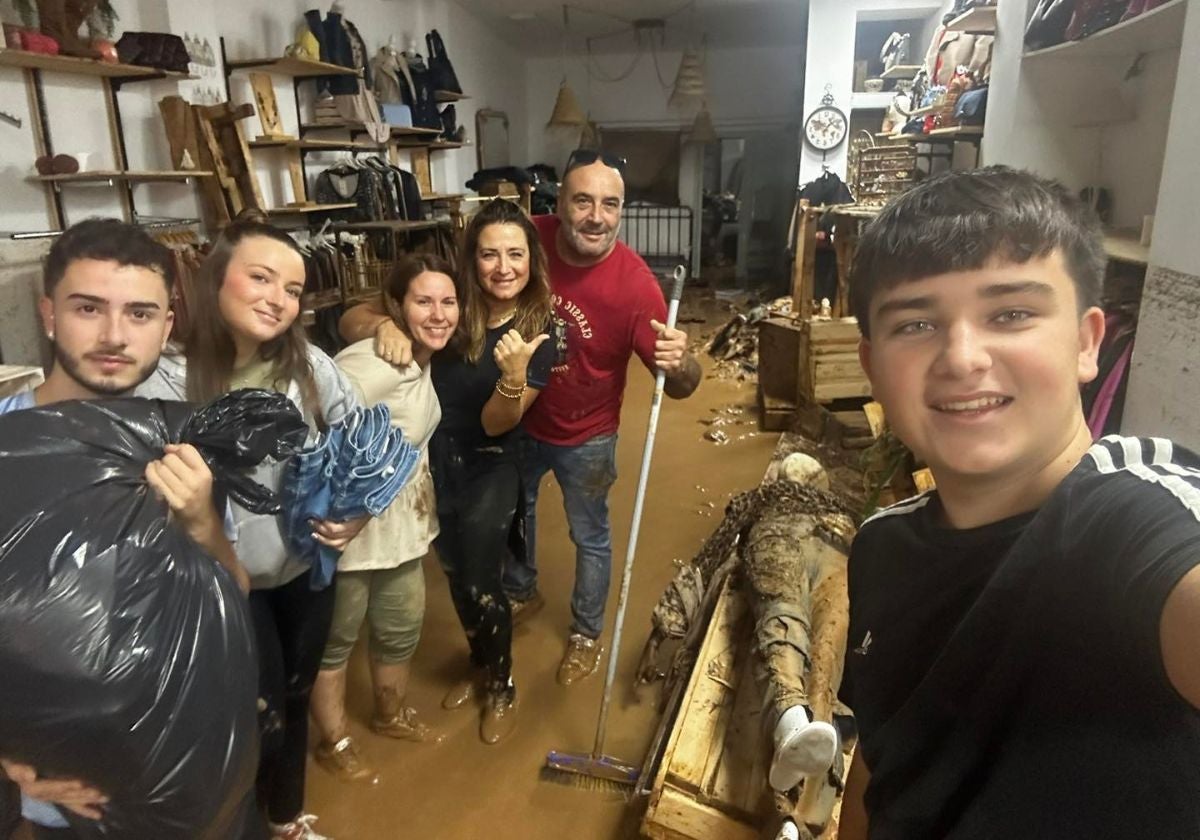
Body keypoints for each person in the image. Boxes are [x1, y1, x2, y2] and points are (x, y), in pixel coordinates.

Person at [837, 166, 1200, 839]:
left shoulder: (1129, 517)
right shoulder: (881, 547)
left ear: (1088, 341)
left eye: (1010, 314)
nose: (962, 357)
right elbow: (880, 758)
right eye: (915, 323)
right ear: (871, 364)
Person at [342, 150, 703, 687]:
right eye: (582, 200)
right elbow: (378, 308)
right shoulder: (517, 241)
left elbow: (681, 387)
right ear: (558, 203)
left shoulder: (635, 285)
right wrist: (383, 327)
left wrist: (682, 363)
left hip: (587, 432)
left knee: (590, 534)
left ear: (622, 211)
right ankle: (522, 592)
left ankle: (584, 632)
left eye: (610, 204)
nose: (595, 216)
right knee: (520, 519)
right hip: (516, 428)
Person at [0, 218, 250, 839]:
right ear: (49, 313)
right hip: (59, 793)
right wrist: (7, 778)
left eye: (140, 314)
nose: (114, 336)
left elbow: (235, 589)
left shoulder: (185, 443)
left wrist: (201, 523)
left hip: (180, 766)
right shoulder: (8, 444)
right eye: (89, 308)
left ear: (166, 327)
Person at [137, 212, 366, 840]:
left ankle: (287, 818)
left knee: (292, 695)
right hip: (215, 580)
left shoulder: (310, 369)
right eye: (261, 278)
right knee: (246, 709)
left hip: (304, 569)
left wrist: (357, 513)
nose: (279, 300)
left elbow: (363, 447)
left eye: (292, 290)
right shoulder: (165, 377)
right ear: (216, 281)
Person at [309, 254, 460, 784]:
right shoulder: (372, 363)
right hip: (347, 537)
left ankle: (390, 715)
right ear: (396, 307)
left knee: (399, 629)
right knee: (335, 643)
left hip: (403, 533)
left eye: (448, 302)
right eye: (423, 301)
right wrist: (341, 514)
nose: (439, 314)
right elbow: (311, 433)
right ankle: (335, 740)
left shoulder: (422, 356)